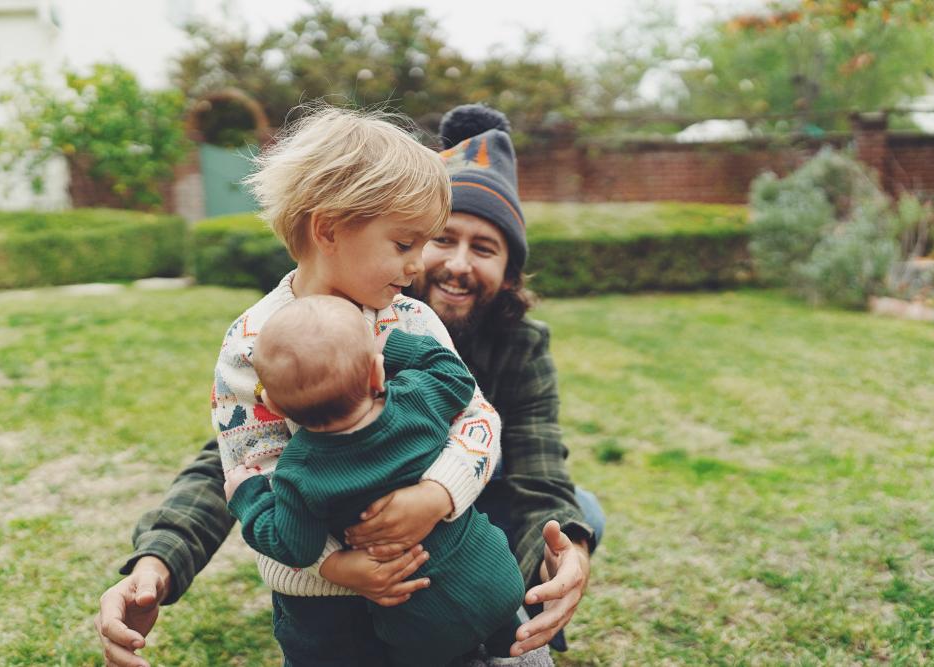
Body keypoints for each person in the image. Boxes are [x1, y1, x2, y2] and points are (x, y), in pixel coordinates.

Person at [96, 104, 603, 667]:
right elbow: (249, 478)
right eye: (407, 245)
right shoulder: (252, 344)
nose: (419, 267)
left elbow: (480, 419)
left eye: (481, 247)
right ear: (329, 228)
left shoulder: (410, 319)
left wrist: (436, 495)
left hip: (449, 564)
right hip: (327, 611)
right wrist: (332, 568)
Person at [224, 295, 531, 666]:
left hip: (422, 629)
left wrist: (247, 496)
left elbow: (294, 547)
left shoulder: (299, 472)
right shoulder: (416, 400)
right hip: (497, 578)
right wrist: (396, 344)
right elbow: (456, 377)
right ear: (376, 373)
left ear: (272, 405)